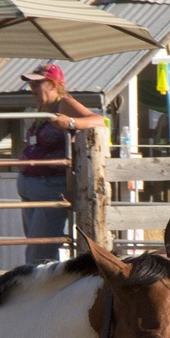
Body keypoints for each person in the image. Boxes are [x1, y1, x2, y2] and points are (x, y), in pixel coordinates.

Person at [16, 63, 107, 264]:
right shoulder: (43, 108)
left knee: (39, 251)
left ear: (53, 84)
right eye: (31, 85)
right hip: (31, 186)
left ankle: (43, 291)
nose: (32, 89)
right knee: (35, 246)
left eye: (37, 84)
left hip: (50, 186)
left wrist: (71, 123)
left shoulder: (64, 103)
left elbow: (99, 121)